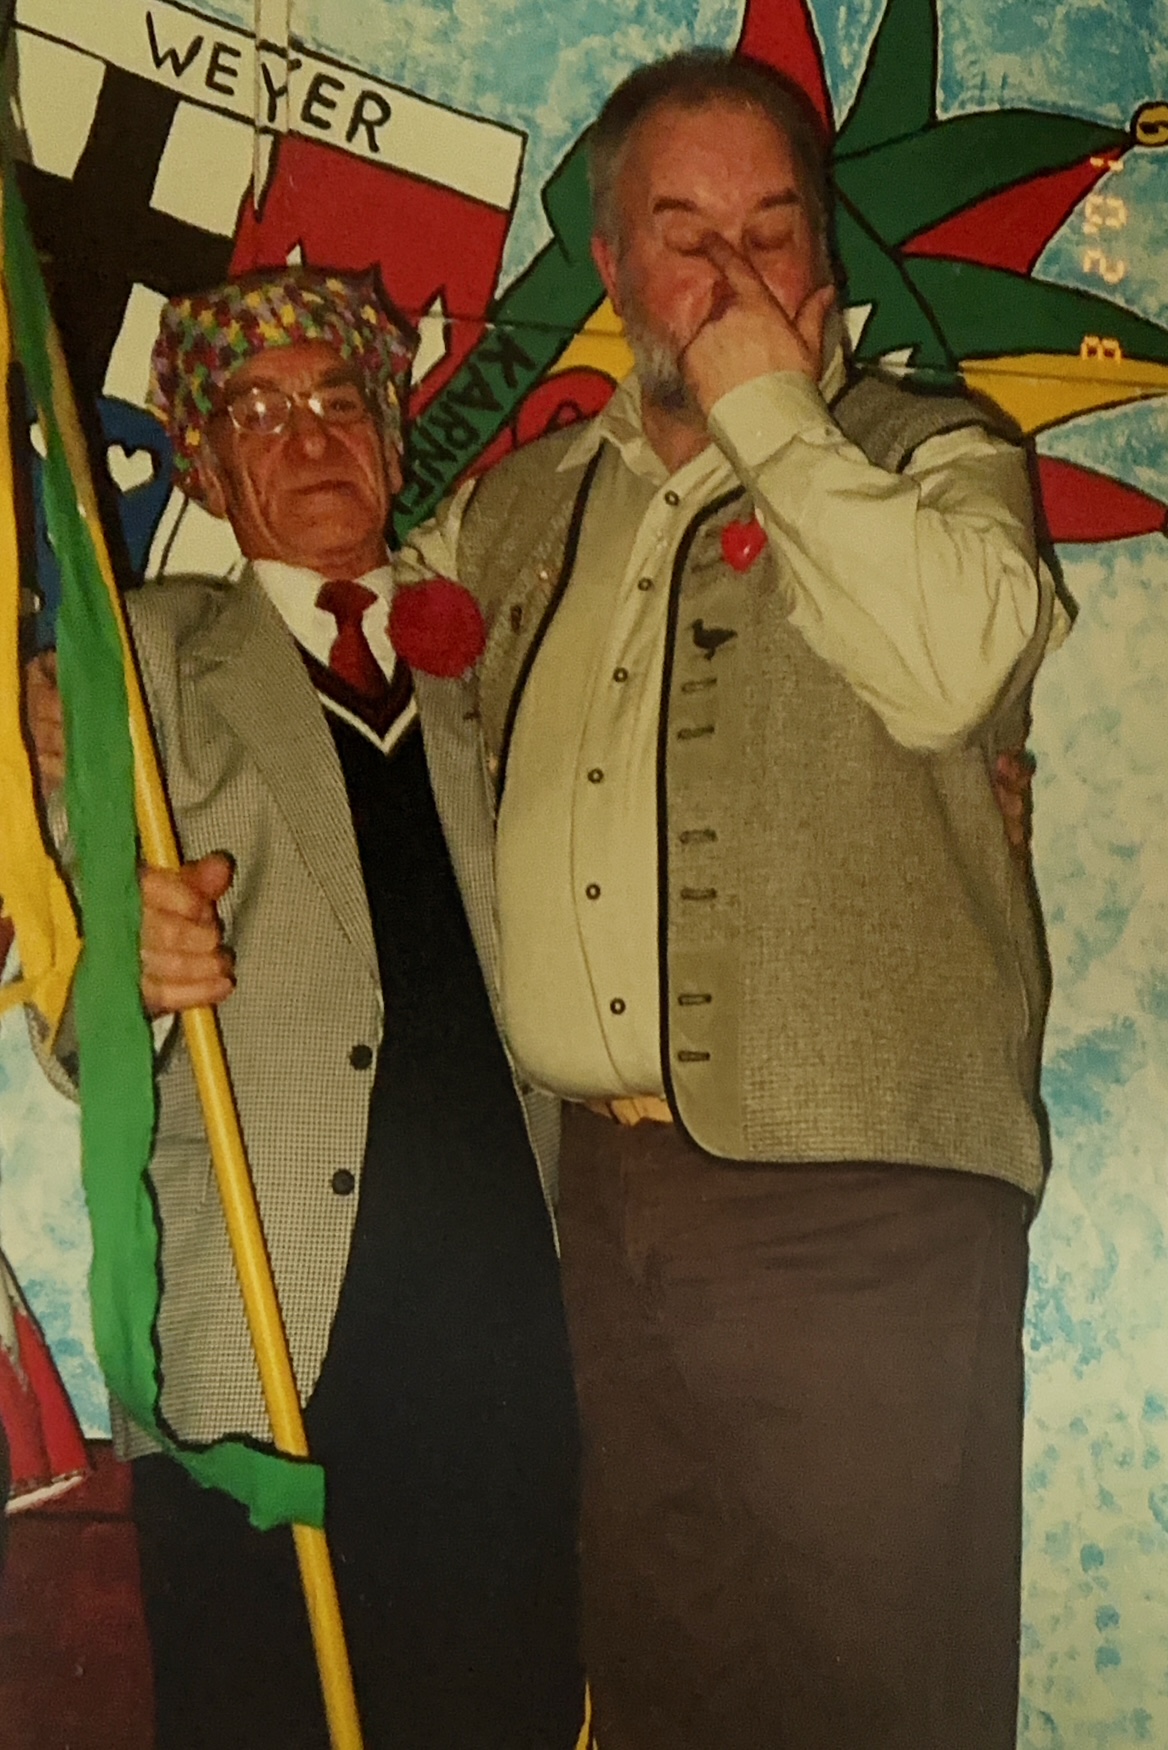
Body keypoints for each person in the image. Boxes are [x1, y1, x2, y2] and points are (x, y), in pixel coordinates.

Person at [400, 49, 1057, 1750]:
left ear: (822, 259)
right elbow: (344, 654)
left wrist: (769, 408)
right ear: (612, 265)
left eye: (772, 228)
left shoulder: (938, 455)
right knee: (668, 1682)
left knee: (878, 1695)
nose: (732, 271)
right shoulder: (524, 505)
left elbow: (954, 665)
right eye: (684, 233)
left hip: (865, 1206)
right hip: (599, 1199)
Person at [26, 268, 586, 1749]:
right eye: (259, 414)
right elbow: (73, 987)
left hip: (510, 1322)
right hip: (267, 1329)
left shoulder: (501, 657)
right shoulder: (131, 664)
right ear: (206, 472)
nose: (312, 435)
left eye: (342, 400)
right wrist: (125, 963)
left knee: (507, 1702)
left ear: (395, 443)